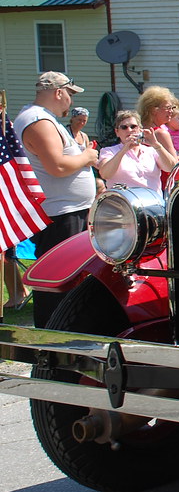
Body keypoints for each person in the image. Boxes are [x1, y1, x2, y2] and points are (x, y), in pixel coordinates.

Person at [14, 71, 99, 326]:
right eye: (70, 95)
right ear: (59, 92)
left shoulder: (41, 118)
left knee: (71, 281)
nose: (71, 102)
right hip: (60, 215)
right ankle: (53, 338)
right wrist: (87, 157)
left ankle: (67, 332)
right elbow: (57, 166)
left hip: (67, 212)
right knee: (58, 282)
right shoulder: (38, 120)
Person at [98, 110, 177, 192]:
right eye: (124, 127)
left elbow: (171, 168)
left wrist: (156, 144)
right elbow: (105, 174)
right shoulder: (109, 151)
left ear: (140, 129)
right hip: (123, 199)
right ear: (117, 132)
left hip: (152, 198)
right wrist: (124, 150)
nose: (129, 130)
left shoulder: (151, 151)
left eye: (133, 126)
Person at [137, 85, 179, 155]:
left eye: (172, 108)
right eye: (168, 108)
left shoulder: (138, 130)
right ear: (154, 110)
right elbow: (173, 161)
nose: (171, 111)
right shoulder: (161, 134)